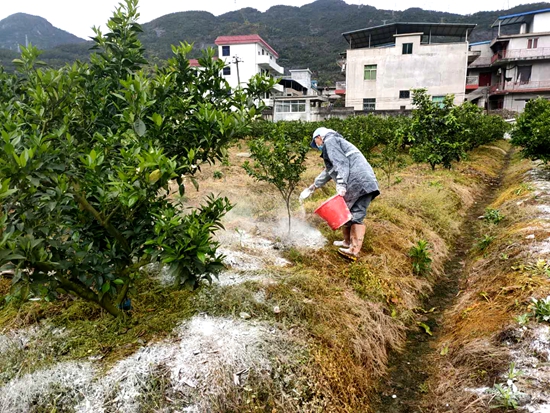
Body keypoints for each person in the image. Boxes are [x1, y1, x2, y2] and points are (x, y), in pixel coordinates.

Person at [301, 127, 380, 260]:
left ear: (319, 137)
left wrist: (342, 184)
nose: (317, 146)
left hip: (361, 182)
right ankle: (347, 242)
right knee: (346, 212)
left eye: (316, 142)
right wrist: (313, 186)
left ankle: (354, 250)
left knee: (357, 214)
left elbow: (341, 164)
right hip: (357, 181)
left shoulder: (331, 141)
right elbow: (329, 171)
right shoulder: (335, 142)